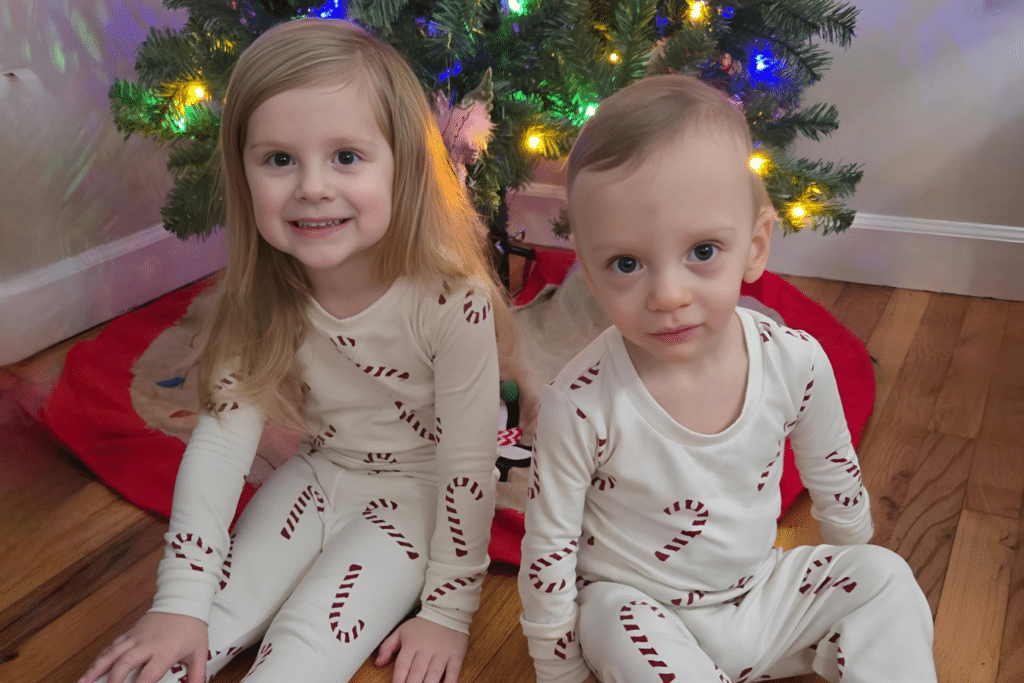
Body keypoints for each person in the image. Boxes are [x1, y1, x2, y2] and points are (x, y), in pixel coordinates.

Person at [80, 17, 513, 683]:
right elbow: (223, 441)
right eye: (280, 159)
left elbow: (466, 466)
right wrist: (177, 602)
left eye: (346, 156)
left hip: (414, 499)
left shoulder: (453, 303)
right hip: (317, 472)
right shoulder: (263, 290)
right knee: (208, 614)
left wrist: (449, 610)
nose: (312, 186)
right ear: (245, 171)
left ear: (403, 165)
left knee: (306, 643)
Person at [518, 74, 937, 683]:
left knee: (886, 578)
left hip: (761, 594)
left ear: (756, 246)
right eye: (626, 264)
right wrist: (560, 674)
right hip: (643, 616)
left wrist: (852, 568)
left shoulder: (795, 360)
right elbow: (548, 552)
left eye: (703, 251)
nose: (668, 295)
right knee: (607, 615)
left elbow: (835, 476)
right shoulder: (578, 404)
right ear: (587, 269)